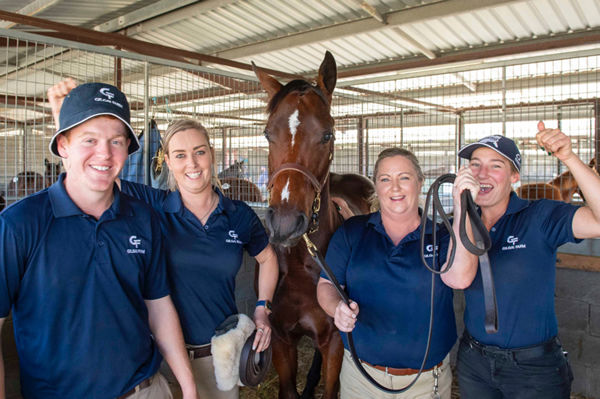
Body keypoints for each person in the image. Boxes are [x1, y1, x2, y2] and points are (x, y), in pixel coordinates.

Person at [48, 79, 279, 399]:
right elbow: (94, 175)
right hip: (162, 357)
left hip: (221, 355)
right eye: (180, 155)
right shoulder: (152, 206)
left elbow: (267, 257)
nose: (192, 164)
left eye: (199, 152)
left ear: (211, 154)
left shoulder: (238, 215)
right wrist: (66, 123)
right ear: (167, 162)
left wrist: (262, 306)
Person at [0, 82, 197, 398]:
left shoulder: (144, 218)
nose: (104, 154)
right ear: (63, 145)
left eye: (116, 141)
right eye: (89, 140)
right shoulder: (19, 224)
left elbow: (158, 305)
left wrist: (188, 387)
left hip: (143, 391)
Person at [316, 147, 480, 399]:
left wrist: (463, 208)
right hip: (360, 378)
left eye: (404, 177)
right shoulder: (352, 232)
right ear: (376, 187)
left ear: (419, 182)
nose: (395, 187)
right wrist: (336, 308)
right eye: (385, 179)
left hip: (425, 383)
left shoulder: (442, 236)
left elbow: (460, 278)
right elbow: (326, 285)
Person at [456, 126, 600, 398]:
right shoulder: (460, 222)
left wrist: (569, 157)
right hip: (473, 361)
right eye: (475, 165)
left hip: (534, 368)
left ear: (514, 177)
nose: (482, 173)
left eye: (495, 166)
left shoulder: (539, 216)